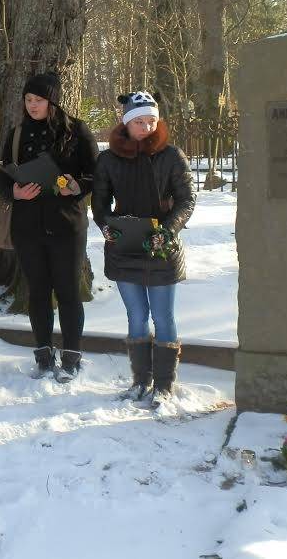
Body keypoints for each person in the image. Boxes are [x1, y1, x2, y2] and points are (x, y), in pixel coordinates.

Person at [0, 73, 99, 382]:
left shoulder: (76, 131)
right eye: (28, 100)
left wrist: (76, 186)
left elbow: (97, 174)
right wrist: (13, 192)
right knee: (38, 292)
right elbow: (2, 176)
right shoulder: (16, 134)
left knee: (67, 292)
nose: (32, 106)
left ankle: (71, 355)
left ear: (52, 101)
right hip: (29, 226)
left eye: (38, 100)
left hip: (67, 224)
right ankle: (42, 353)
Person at [92, 91, 195, 404]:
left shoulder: (172, 156)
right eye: (139, 121)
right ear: (126, 123)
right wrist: (106, 225)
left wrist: (167, 230)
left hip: (161, 247)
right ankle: (140, 380)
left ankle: (164, 385)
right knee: (136, 315)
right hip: (125, 246)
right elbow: (99, 199)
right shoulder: (109, 159)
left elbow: (186, 199)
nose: (146, 127)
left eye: (151, 120)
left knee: (163, 316)